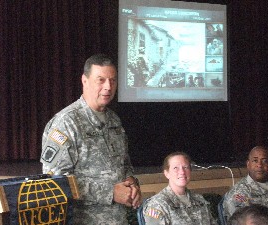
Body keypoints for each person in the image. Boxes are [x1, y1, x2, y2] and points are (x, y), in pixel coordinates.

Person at [40, 54, 142, 225]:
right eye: (100, 80)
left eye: (113, 81)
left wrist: (132, 183)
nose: (108, 87)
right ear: (84, 81)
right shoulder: (66, 122)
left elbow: (124, 165)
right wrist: (110, 193)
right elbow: (55, 181)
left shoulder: (114, 120)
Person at [143, 151, 217, 224]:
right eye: (176, 168)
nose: (182, 172)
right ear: (167, 173)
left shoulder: (199, 200)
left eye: (185, 167)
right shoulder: (156, 205)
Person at [222, 146, 268, 222]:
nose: (259, 165)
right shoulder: (239, 194)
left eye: (264, 161)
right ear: (248, 165)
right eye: (255, 161)